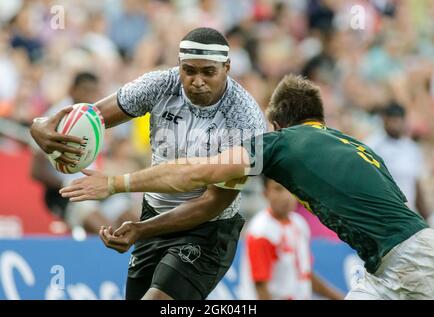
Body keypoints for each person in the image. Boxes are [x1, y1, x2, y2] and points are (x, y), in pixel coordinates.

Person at [61, 74, 434, 300]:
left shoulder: (279, 144)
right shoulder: (357, 145)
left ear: (275, 124)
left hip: (410, 264)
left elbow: (194, 173)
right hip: (393, 264)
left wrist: (116, 183)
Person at [31, 27, 266, 300]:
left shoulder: (247, 121)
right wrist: (39, 128)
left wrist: (139, 227)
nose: (197, 81)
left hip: (208, 231)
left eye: (208, 72)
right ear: (178, 65)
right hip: (153, 215)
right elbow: (93, 117)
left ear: (227, 67)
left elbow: (213, 202)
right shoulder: (159, 85)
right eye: (189, 70)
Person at [30, 72, 137, 235]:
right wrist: (67, 185)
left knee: (131, 220)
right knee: (106, 230)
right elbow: (36, 171)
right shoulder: (55, 118)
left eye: (93, 91)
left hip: (91, 185)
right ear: (72, 90)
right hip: (64, 194)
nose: (89, 96)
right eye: (85, 90)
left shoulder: (93, 115)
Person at [240, 178, 343, 300]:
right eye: (278, 189)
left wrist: (340, 297)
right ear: (265, 193)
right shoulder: (261, 231)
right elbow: (261, 287)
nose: (286, 196)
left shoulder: (299, 224)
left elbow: (305, 273)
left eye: (290, 189)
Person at [366, 102, 431, 221]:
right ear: (384, 120)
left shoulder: (411, 148)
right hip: (384, 214)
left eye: (399, 121)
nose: (396, 125)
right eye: (392, 121)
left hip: (408, 215)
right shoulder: (373, 145)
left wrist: (427, 219)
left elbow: (416, 184)